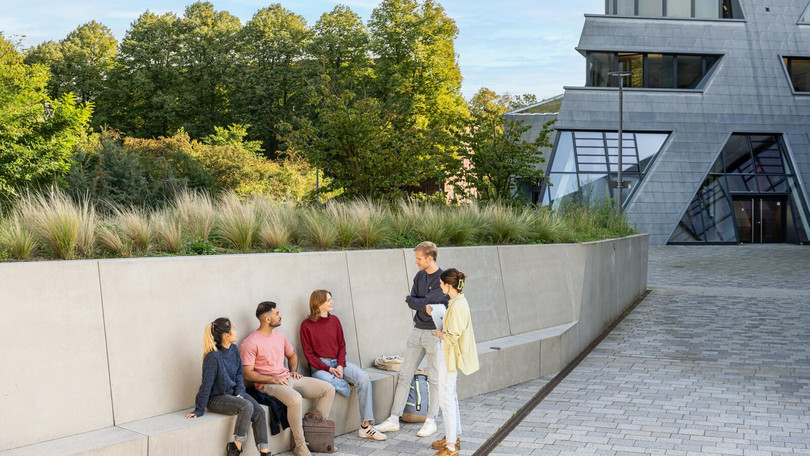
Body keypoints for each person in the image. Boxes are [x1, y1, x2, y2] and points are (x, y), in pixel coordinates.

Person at [240, 301, 336, 456]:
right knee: (296, 399)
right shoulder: (250, 342)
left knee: (328, 389)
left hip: (287, 378)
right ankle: (300, 445)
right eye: (277, 313)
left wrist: (293, 371)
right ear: (268, 319)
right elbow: (247, 374)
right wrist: (273, 380)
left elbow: (292, 355)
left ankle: (315, 437)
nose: (280, 316)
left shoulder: (279, 336)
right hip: (267, 384)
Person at [376, 241, 449, 437]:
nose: (416, 262)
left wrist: (416, 301)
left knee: (433, 379)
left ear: (429, 258)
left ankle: (431, 421)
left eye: (419, 258)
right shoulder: (420, 276)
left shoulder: (443, 279)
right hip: (417, 330)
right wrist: (417, 302)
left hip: (435, 334)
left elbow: (428, 302)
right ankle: (393, 419)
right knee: (405, 374)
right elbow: (414, 302)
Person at [300, 290, 387, 441]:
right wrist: (328, 369)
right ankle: (345, 385)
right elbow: (309, 355)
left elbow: (342, 345)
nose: (332, 302)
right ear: (318, 303)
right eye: (328, 300)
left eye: (331, 299)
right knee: (335, 383)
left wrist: (340, 366)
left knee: (364, 378)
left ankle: (365, 427)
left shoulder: (335, 320)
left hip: (339, 362)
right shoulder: (306, 325)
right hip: (320, 368)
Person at [186, 318, 270, 456]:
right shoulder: (213, 357)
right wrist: (199, 409)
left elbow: (239, 375)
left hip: (232, 394)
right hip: (216, 399)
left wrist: (239, 392)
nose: (236, 332)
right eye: (234, 329)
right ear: (226, 336)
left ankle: (264, 452)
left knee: (259, 411)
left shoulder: (234, 350)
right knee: (246, 406)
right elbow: (206, 384)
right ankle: (235, 448)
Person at [431, 268, 479, 456]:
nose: (440, 286)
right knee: (450, 397)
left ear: (448, 285)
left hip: (449, 357)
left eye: (441, 283)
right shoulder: (456, 301)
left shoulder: (458, 305)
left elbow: (452, 337)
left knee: (446, 400)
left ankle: (451, 447)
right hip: (448, 356)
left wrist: (439, 333)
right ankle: (453, 437)